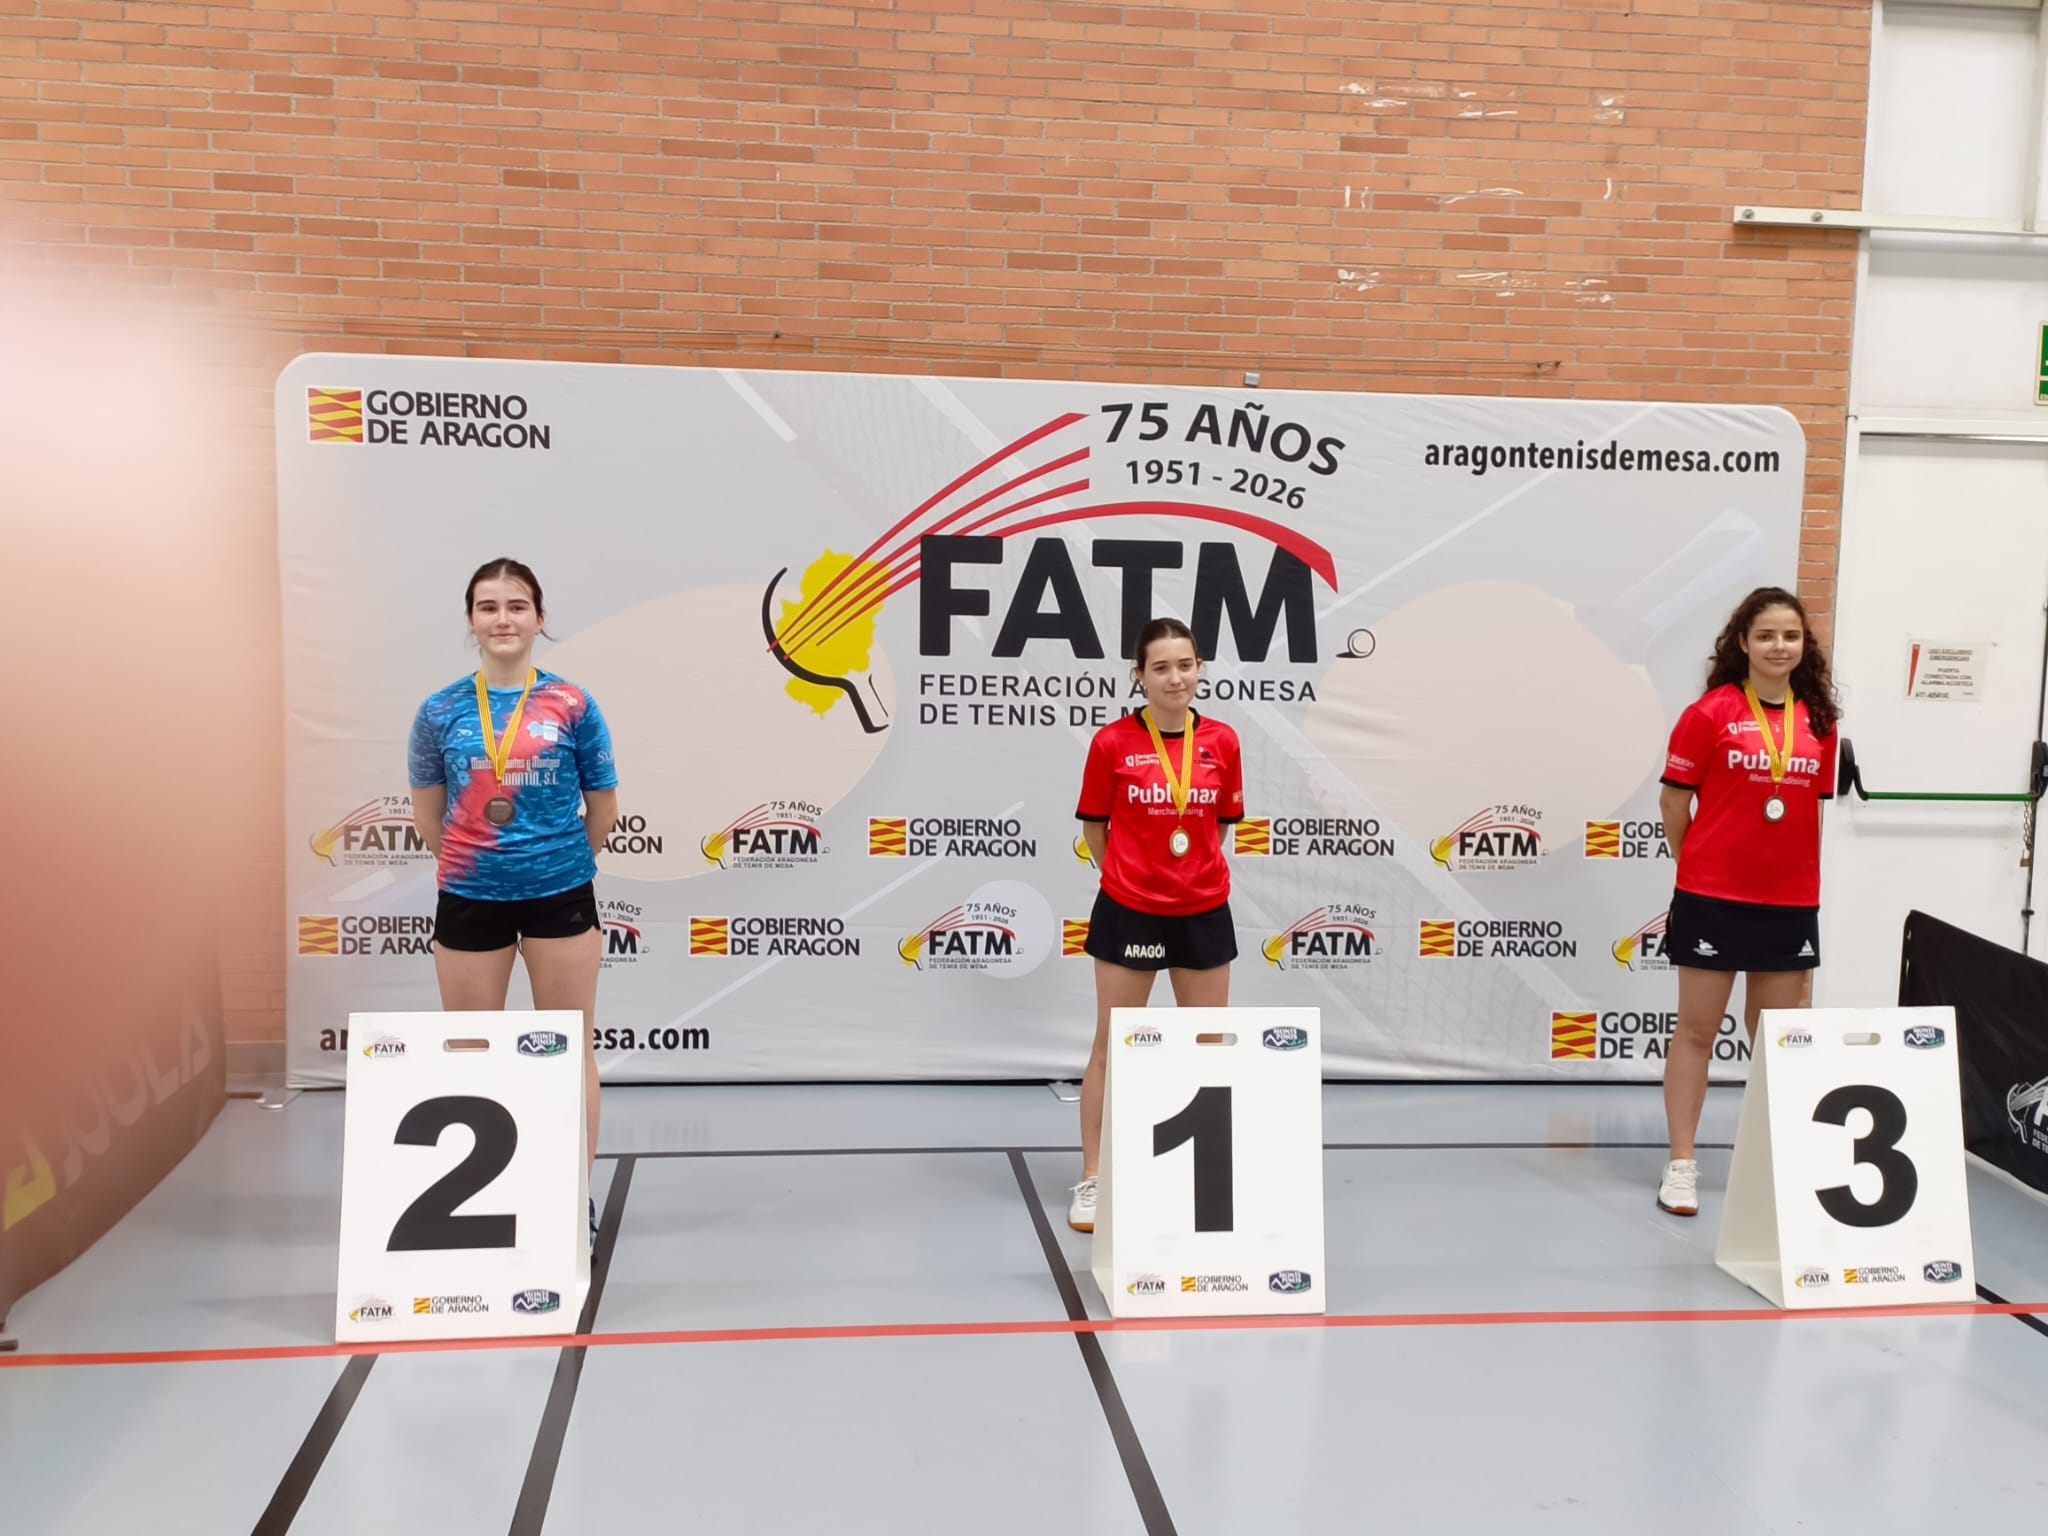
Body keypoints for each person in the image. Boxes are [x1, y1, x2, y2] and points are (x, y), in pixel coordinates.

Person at [409, 558, 619, 1249]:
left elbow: (603, 807)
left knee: (569, 1049)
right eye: (489, 606)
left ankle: (573, 1200)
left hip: (561, 897)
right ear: (471, 620)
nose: (503, 618)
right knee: (474, 1052)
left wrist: (562, 865)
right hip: (470, 900)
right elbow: (428, 815)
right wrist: (478, 865)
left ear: (539, 618)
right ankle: (489, 1205)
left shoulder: (573, 704)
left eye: (517, 606)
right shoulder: (440, 710)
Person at [1655, 586, 1839, 1216]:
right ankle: (1682, 1165)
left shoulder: (1820, 721)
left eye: (1790, 635)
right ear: (1742, 642)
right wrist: (1696, 866)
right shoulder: (1709, 713)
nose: (1778, 646)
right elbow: (1674, 801)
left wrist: (1796, 879)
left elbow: (1809, 811)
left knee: (1777, 1041)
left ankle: (1775, 1164)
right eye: (1765, 635)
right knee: (1697, 1031)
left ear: (1803, 644)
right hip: (1712, 897)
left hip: (1789, 901)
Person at [1068, 617, 1245, 1231]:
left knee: (1206, 1046)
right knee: (1111, 1047)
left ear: (1200, 669)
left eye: (1185, 665)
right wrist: (1131, 877)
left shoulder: (1222, 741)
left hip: (1203, 909)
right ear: (1139, 675)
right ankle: (1095, 1177)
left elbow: (1218, 827)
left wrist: (1187, 875)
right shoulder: (1112, 743)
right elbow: (1095, 829)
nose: (1176, 678)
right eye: (1161, 667)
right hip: (1130, 908)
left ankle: (1200, 1178)